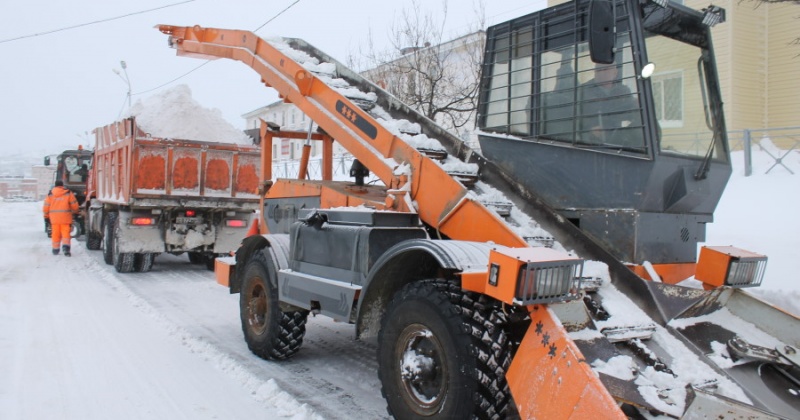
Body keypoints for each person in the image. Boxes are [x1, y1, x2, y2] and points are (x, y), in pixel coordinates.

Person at [579, 63, 640, 146]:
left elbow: (632, 114)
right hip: (591, 144)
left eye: (606, 69)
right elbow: (573, 122)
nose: (602, 72)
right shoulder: (583, 91)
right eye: (598, 70)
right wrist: (589, 132)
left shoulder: (623, 91)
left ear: (615, 72)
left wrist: (637, 107)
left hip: (617, 141)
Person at [43, 180, 79, 256]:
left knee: (55, 234)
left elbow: (46, 207)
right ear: (62, 185)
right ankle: (66, 249)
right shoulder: (68, 193)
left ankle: (55, 249)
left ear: (55, 186)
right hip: (66, 218)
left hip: (54, 219)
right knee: (66, 234)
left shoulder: (50, 194)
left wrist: (46, 217)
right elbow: (75, 206)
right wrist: (75, 212)